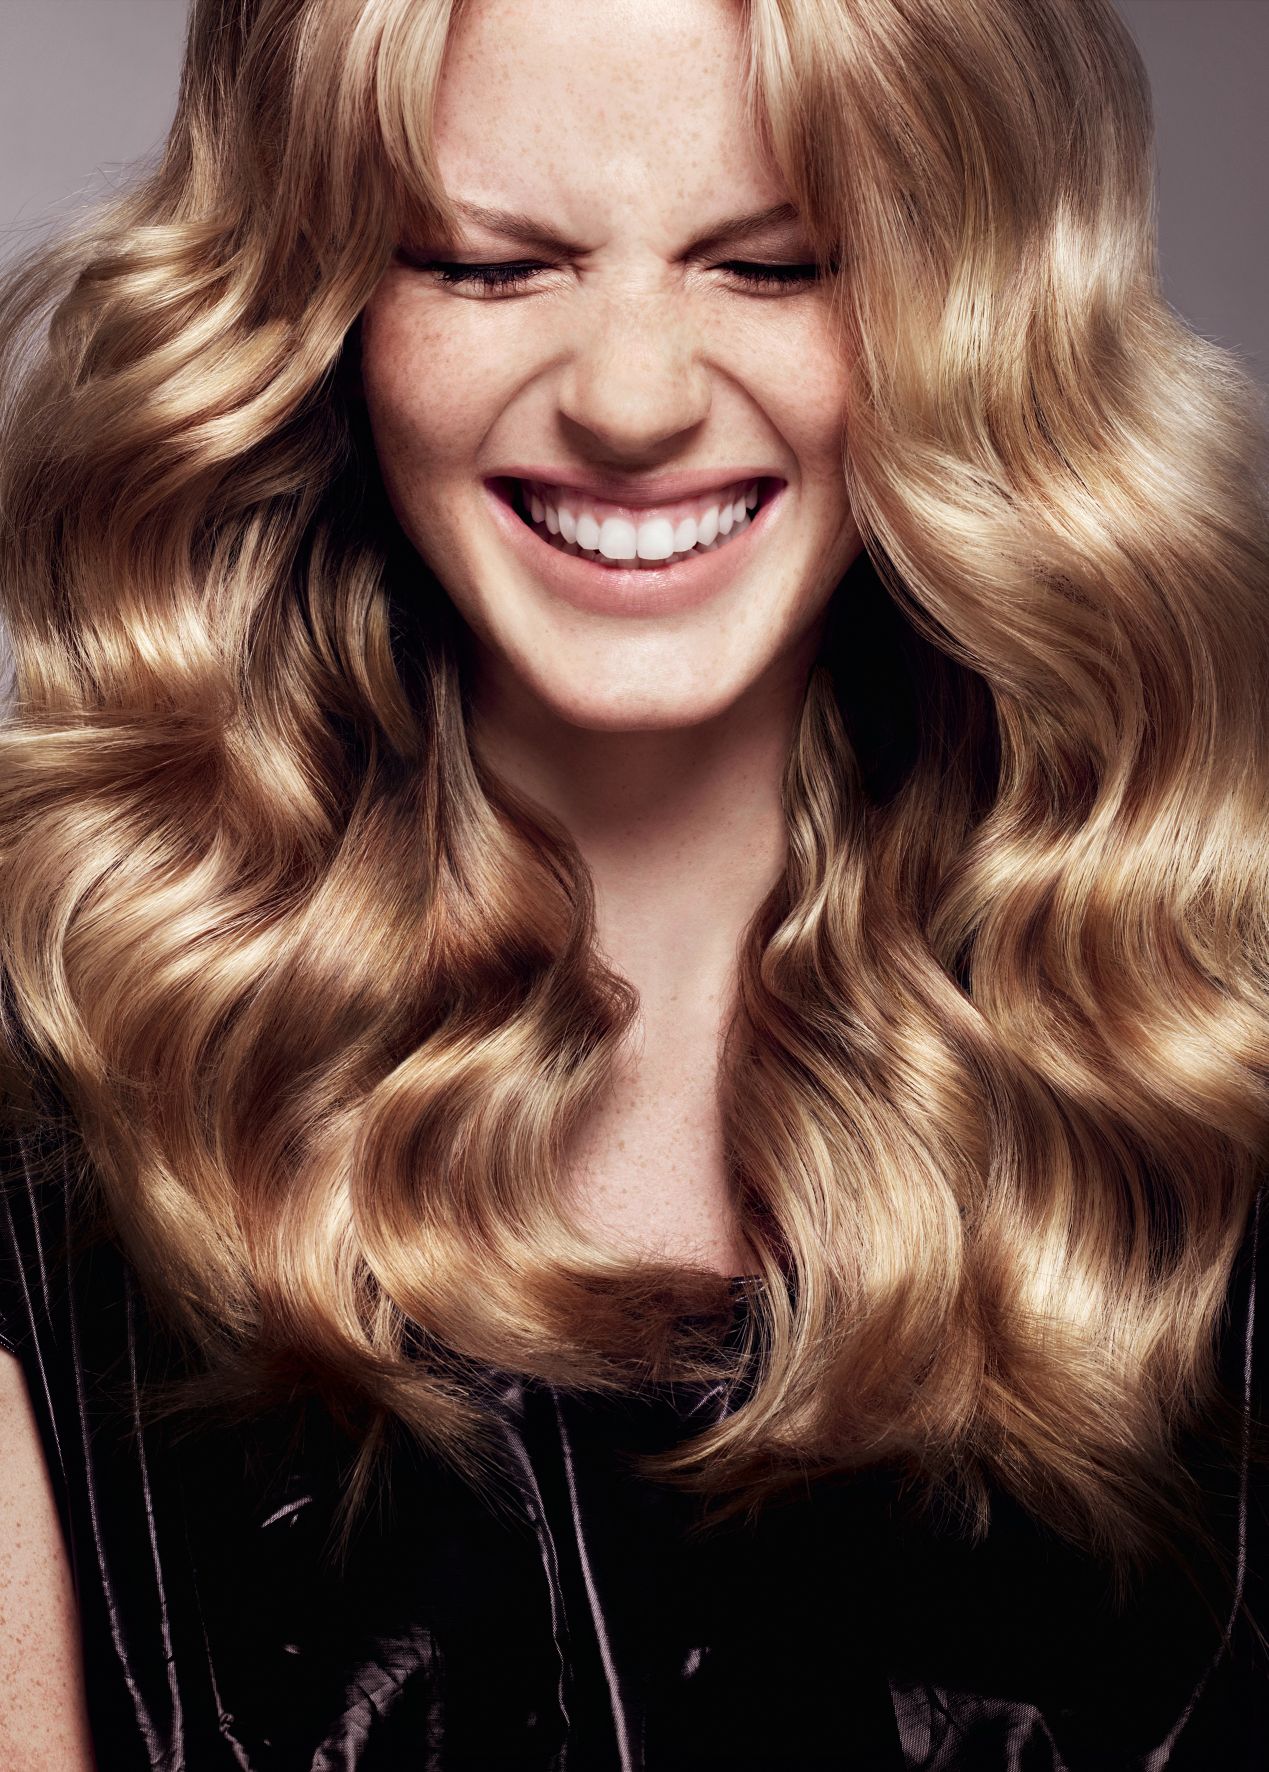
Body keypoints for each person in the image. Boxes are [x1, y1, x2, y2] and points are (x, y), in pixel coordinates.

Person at [1, 0, 1267, 1765]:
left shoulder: (1218, 1065)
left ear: (977, 305)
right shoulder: (45, 1103)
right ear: (319, 299)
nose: (629, 398)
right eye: (486, 267)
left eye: (773, 266)